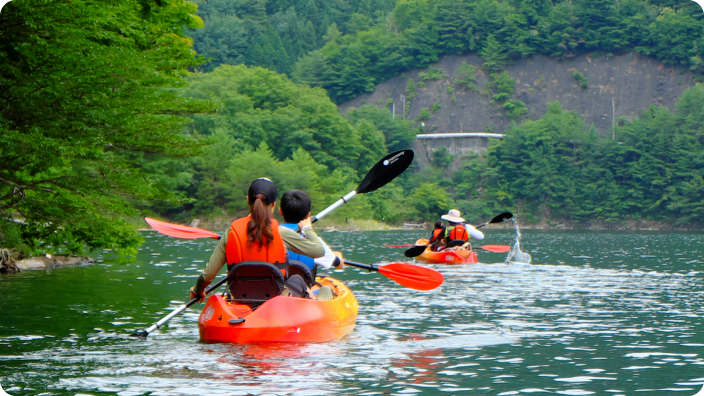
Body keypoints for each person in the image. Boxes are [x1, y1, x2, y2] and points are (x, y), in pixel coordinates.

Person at [189, 178, 325, 302]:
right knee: (296, 279)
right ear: (274, 204)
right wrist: (307, 229)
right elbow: (318, 251)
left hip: (239, 296)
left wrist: (197, 290)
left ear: (248, 199)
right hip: (274, 298)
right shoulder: (280, 232)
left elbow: (208, 275)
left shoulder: (231, 232)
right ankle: (315, 300)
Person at [279, 190, 344, 301]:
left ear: (281, 211)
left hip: (275, 289)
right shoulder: (313, 241)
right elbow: (340, 265)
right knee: (328, 287)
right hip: (301, 293)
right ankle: (316, 298)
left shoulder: (271, 234)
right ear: (308, 215)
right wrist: (337, 256)